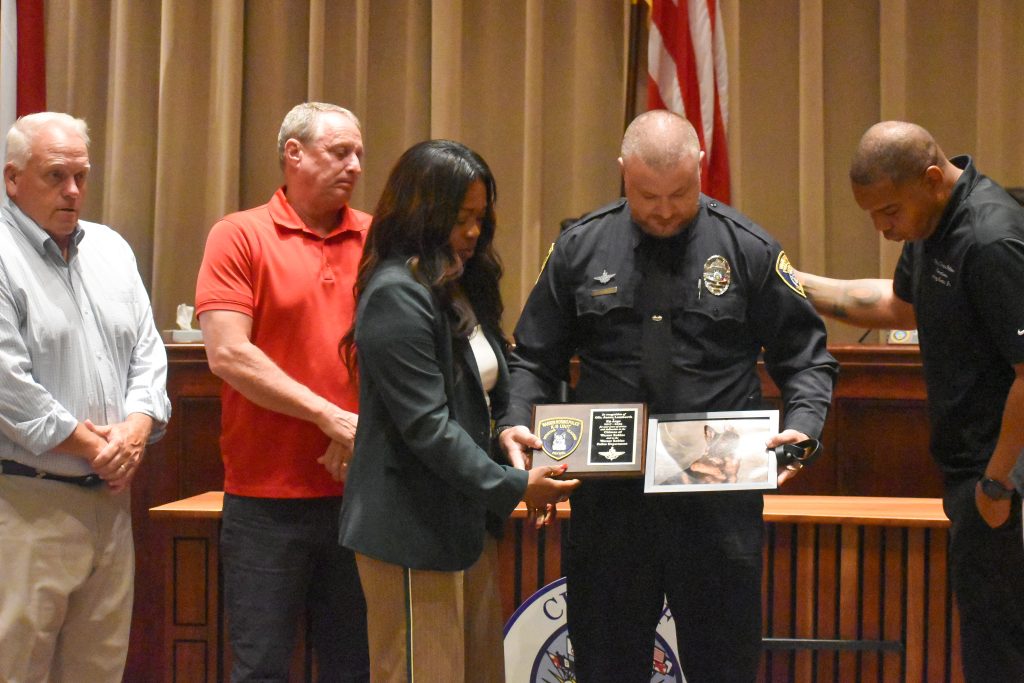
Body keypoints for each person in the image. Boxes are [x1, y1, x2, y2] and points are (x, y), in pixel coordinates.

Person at [498, 110, 838, 682]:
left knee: (722, 664)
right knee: (605, 663)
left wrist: (804, 425)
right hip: (610, 501)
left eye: (679, 193)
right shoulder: (580, 247)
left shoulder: (748, 248)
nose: (662, 209)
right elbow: (533, 356)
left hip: (715, 499)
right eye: (645, 194)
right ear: (622, 172)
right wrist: (513, 421)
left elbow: (805, 357)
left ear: (700, 168)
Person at [338, 139, 580, 682]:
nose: (474, 231)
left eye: (480, 217)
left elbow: (487, 390)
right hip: (409, 533)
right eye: (461, 217)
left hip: (462, 524)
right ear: (423, 211)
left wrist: (507, 433)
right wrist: (516, 487)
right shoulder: (397, 294)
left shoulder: (456, 286)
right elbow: (428, 429)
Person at [793, 120, 1024, 682]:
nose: (883, 228)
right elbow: (898, 306)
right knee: (990, 646)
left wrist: (995, 483)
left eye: (889, 212)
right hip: (977, 478)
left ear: (930, 178)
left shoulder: (991, 239)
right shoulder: (931, 226)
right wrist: (786, 281)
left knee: (1005, 653)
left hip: (1006, 481)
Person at [195, 102, 369, 681]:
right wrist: (329, 417)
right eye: (339, 151)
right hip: (265, 501)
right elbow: (229, 354)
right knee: (262, 667)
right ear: (293, 153)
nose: (355, 166)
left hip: (359, 496)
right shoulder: (239, 235)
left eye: (359, 154)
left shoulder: (377, 238)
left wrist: (354, 429)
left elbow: (402, 354)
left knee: (355, 667)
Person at [0, 112, 170, 681]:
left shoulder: (112, 251)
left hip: (110, 508)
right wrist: (93, 446)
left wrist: (137, 428)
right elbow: (8, 385)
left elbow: (149, 354)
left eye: (81, 176)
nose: (72, 191)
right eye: (55, 176)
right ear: (12, 179)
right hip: (26, 506)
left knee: (98, 672)